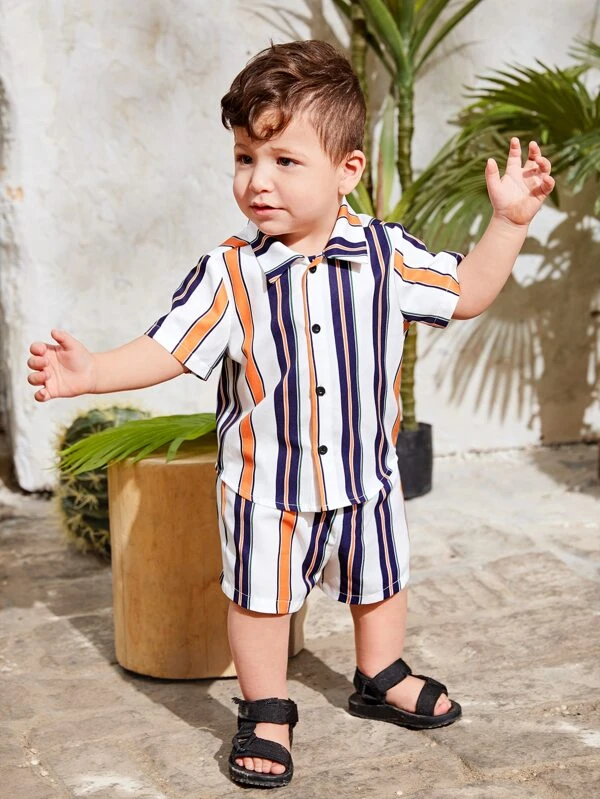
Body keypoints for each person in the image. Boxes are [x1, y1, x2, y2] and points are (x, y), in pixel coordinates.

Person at [27, 40, 554, 789]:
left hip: (366, 478)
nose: (258, 181)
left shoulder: (385, 255)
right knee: (261, 601)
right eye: (245, 158)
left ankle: (380, 672)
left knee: (381, 580)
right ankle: (266, 708)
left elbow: (465, 292)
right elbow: (169, 346)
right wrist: (94, 372)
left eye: (284, 160)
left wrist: (508, 223)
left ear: (347, 171)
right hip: (267, 489)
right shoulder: (230, 274)